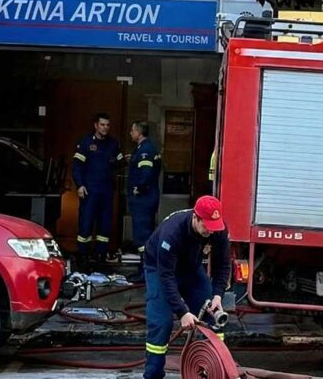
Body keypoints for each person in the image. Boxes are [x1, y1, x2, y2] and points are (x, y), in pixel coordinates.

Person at [142, 195, 231, 379]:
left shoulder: (218, 229)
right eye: (206, 226)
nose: (211, 232)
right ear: (195, 217)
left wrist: (217, 296)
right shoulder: (172, 232)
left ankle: (216, 371)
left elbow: (223, 265)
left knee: (214, 316)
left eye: (214, 227)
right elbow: (166, 277)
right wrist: (182, 312)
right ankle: (153, 374)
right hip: (159, 268)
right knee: (162, 322)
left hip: (190, 267)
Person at [72, 112, 123, 265]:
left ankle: (101, 254)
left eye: (107, 125)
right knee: (86, 223)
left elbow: (119, 163)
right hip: (89, 190)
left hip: (106, 191)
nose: (105, 128)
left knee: (105, 224)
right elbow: (77, 167)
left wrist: (126, 160)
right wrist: (79, 185)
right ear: (96, 125)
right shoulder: (86, 143)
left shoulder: (113, 144)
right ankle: (83, 254)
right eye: (102, 125)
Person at [126, 120, 161, 282]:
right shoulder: (143, 149)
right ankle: (144, 270)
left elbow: (146, 173)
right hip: (146, 199)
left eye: (132, 130)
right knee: (144, 235)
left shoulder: (145, 150)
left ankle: (144, 273)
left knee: (142, 236)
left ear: (139, 132)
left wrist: (138, 188)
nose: (130, 133)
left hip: (143, 200)